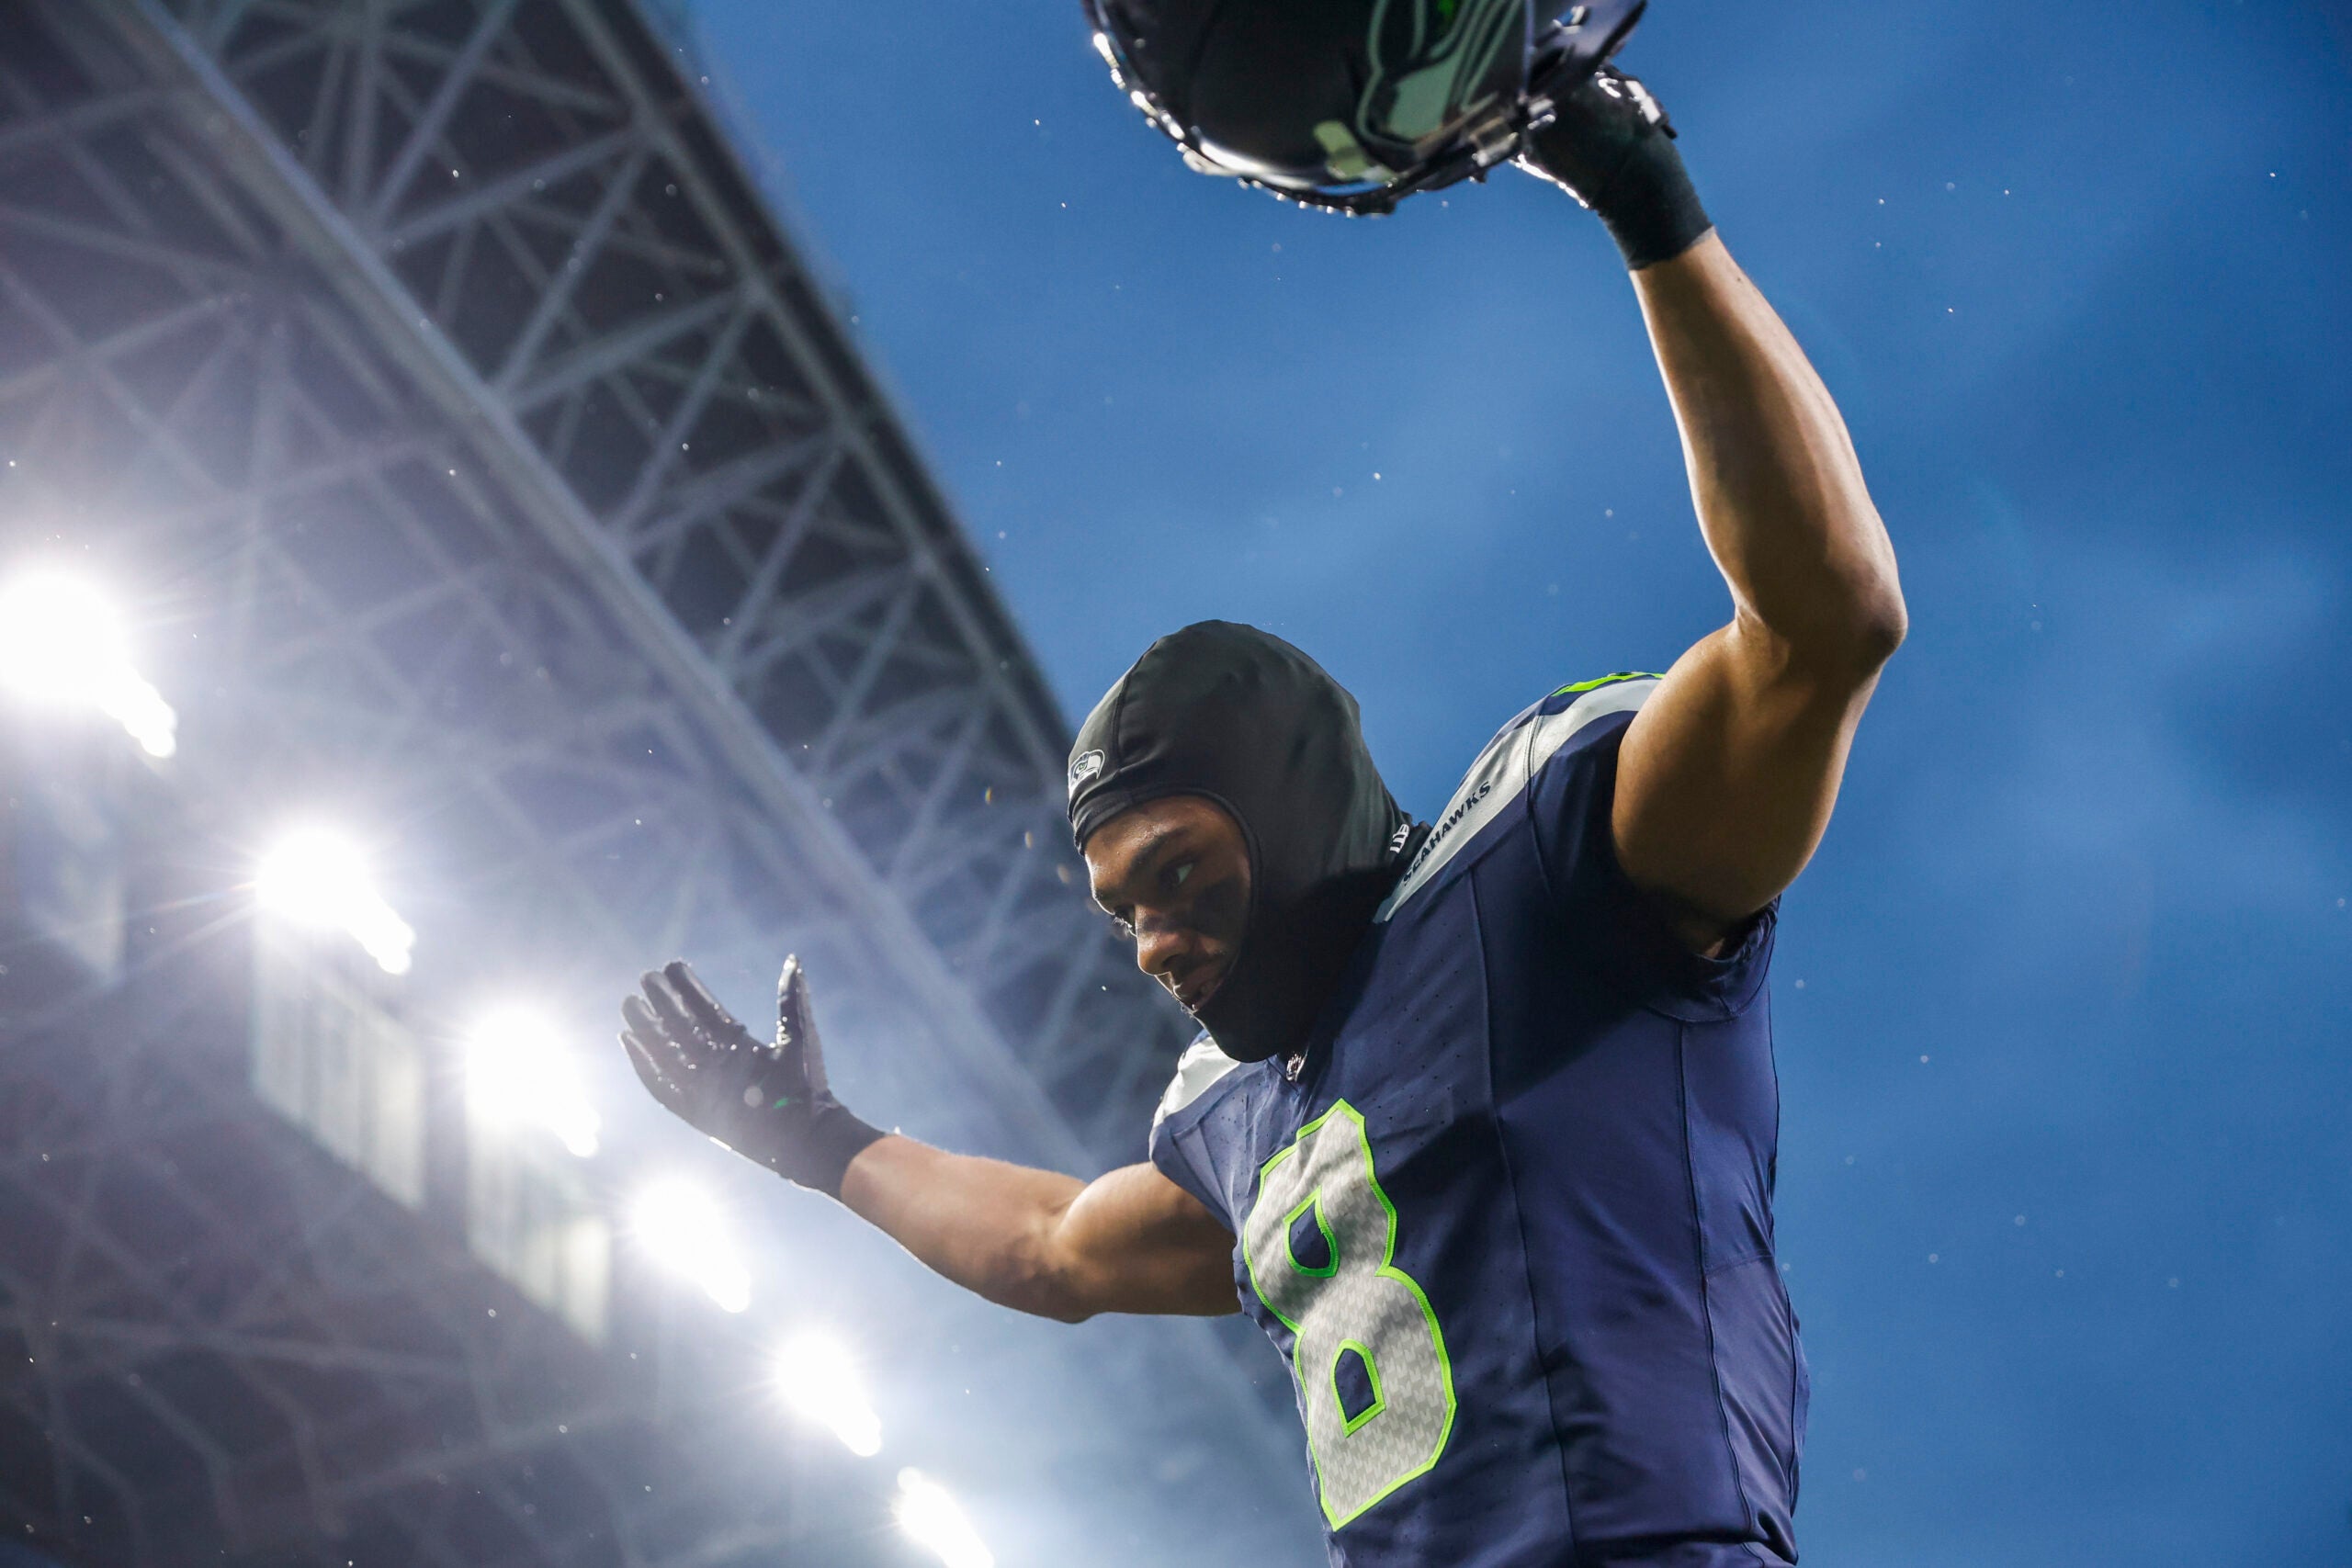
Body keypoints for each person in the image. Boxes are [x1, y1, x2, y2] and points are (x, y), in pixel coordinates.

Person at [619, 58, 1904, 1568]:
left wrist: (1650, 206)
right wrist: (813, 1138)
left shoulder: (1559, 873)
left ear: (1288, 811)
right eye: (1121, 909)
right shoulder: (1238, 1119)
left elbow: (1826, 624)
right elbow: (1048, 1250)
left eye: (1176, 871)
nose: (1155, 943)